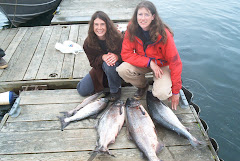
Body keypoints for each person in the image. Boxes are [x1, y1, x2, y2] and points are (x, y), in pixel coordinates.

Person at [116, 1, 182, 110]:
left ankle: (161, 84)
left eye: (147, 14)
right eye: (140, 14)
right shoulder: (131, 29)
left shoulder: (164, 34)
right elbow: (126, 54)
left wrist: (176, 92)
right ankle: (143, 86)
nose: (143, 18)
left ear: (153, 17)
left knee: (162, 94)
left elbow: (176, 63)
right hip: (145, 62)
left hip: (162, 65)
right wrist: (149, 63)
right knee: (122, 69)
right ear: (136, 16)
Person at [77, 11, 123, 101]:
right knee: (82, 90)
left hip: (117, 68)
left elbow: (127, 55)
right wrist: (102, 57)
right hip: (99, 70)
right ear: (92, 26)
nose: (99, 28)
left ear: (107, 25)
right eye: (96, 24)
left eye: (102, 24)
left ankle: (115, 90)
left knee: (109, 64)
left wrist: (117, 57)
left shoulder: (118, 37)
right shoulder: (88, 43)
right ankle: (106, 82)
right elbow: (93, 63)